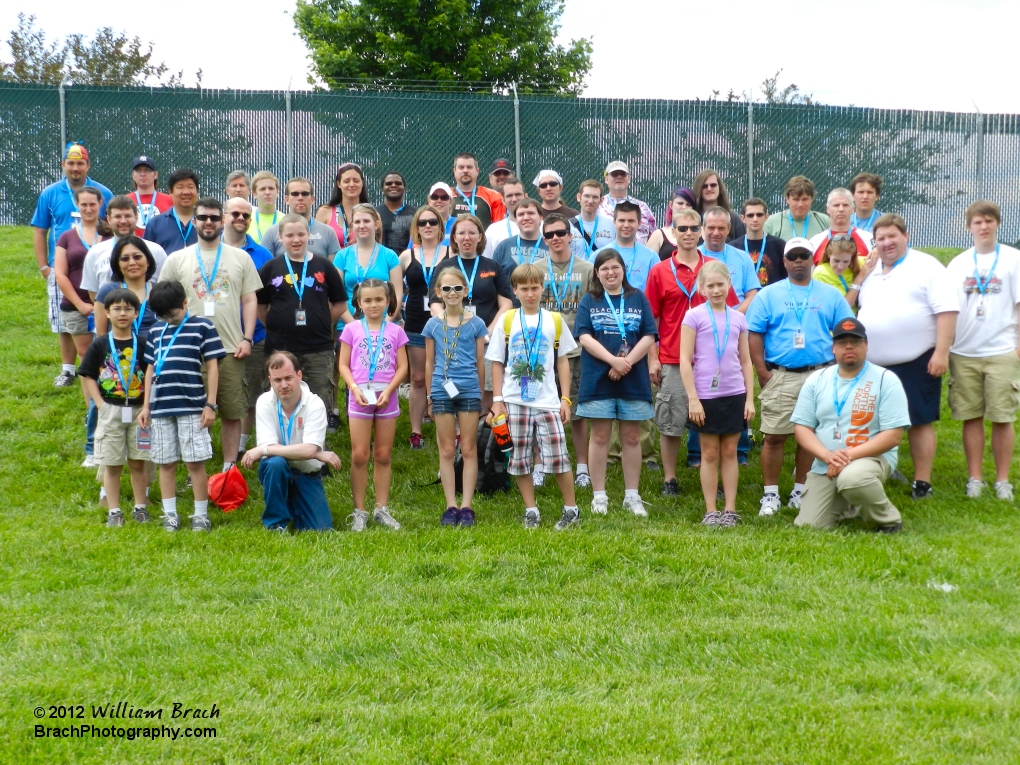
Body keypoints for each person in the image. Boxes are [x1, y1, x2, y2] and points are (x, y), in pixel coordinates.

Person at [746, 237, 855, 517]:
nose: (798, 261)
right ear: (784, 262)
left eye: (803, 255)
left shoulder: (830, 295)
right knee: (773, 436)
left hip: (819, 375)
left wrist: (839, 369)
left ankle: (800, 490)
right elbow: (754, 334)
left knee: (813, 435)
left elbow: (846, 330)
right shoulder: (768, 294)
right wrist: (762, 372)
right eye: (792, 256)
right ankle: (770, 495)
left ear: (813, 260)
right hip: (780, 375)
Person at [857, 214, 958, 500]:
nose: (887, 242)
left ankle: (922, 483)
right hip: (874, 364)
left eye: (892, 236)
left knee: (918, 420)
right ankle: (878, 472)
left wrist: (941, 352)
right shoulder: (872, 270)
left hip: (916, 360)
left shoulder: (926, 266)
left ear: (906, 235)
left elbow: (947, 311)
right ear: (874, 242)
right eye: (881, 238)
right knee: (873, 422)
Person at [158, 196, 262, 472]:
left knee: (231, 410)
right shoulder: (177, 258)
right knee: (192, 413)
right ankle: (195, 467)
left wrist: (247, 338)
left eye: (214, 218)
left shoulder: (240, 257)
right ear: (194, 222)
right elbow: (163, 300)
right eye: (202, 217)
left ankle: (229, 467)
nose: (208, 222)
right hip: (186, 350)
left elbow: (250, 300)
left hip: (229, 347)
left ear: (223, 220)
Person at [645, 209, 739, 492]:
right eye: (682, 228)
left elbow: (729, 312)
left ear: (701, 232)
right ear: (672, 233)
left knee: (715, 421)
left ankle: (718, 479)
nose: (688, 233)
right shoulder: (660, 270)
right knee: (671, 419)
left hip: (712, 359)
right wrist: (654, 357)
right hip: (674, 357)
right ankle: (670, 478)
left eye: (693, 228)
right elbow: (651, 319)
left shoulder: (713, 268)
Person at [791, 318, 910, 532]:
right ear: (833, 348)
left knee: (853, 478)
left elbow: (893, 436)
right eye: (842, 342)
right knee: (810, 526)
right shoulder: (816, 379)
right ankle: (851, 503)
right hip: (827, 462)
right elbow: (801, 428)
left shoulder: (886, 379)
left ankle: (887, 520)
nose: (849, 346)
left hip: (869, 457)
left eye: (855, 342)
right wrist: (827, 456)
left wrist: (848, 456)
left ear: (866, 345)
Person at [488, 263, 580, 530]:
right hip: (515, 400)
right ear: (515, 290)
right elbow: (496, 361)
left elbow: (562, 361)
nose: (530, 294)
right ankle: (531, 510)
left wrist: (565, 398)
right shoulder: (507, 320)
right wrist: (497, 398)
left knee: (558, 457)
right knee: (519, 459)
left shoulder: (554, 320)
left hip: (548, 401)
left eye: (535, 288)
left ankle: (571, 509)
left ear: (543, 289)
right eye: (524, 289)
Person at [574, 249, 657, 516]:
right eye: (604, 269)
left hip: (633, 378)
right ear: (597, 273)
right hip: (598, 378)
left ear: (623, 270)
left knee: (632, 436)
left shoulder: (637, 297)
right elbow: (584, 337)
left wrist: (626, 363)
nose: (610, 273)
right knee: (599, 436)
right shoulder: (590, 300)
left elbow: (649, 335)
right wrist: (613, 361)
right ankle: (599, 496)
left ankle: (632, 496)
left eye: (615, 267)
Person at [946, 201, 1020, 500]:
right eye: (978, 222)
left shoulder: (1013, 260)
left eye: (989, 221)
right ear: (969, 227)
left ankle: (1002, 480)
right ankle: (975, 478)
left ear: (998, 224)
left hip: (1002, 349)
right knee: (970, 415)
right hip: (964, 351)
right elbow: (947, 308)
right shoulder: (959, 264)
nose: (984, 227)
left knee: (1003, 417)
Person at [139, 281, 226, 532]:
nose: (168, 319)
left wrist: (210, 404)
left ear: (185, 303)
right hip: (161, 408)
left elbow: (212, 367)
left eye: (172, 314)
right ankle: (170, 515)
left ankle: (200, 515)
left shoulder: (203, 326)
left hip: (192, 406)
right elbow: (150, 369)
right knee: (165, 463)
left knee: (194, 462)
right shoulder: (156, 331)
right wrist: (146, 406)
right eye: (162, 315)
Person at [679, 261, 755, 526]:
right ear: (701, 288)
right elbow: (684, 360)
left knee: (730, 451)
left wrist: (749, 399)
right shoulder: (694, 316)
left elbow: (745, 361)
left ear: (729, 285)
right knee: (709, 453)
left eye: (720, 285)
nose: (715, 290)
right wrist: (693, 399)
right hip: (704, 396)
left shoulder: (739, 318)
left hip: (733, 393)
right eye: (709, 286)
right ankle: (711, 509)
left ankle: (730, 509)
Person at [32, 142, 113, 386]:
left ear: (88, 165)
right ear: (63, 165)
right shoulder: (50, 193)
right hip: (64, 266)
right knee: (64, 321)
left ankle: (106, 367)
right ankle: (67, 370)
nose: (75, 168)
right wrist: (44, 266)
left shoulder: (103, 193)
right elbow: (40, 230)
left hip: (99, 267)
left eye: (80, 163)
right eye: (71, 163)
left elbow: (111, 224)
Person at [240, 351, 342, 533]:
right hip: (277, 471)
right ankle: (276, 524)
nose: (284, 385)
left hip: (306, 473)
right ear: (270, 380)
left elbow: (305, 450)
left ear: (299, 375)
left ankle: (292, 505)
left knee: (322, 530)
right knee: (276, 464)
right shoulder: (264, 402)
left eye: (288, 378)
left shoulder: (315, 404)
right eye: (277, 380)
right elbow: (282, 450)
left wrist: (262, 449)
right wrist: (314, 452)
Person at [257, 213, 350, 410]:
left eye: (301, 234)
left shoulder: (324, 266)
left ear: (309, 234)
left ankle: (316, 441)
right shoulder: (271, 268)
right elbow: (260, 307)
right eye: (289, 235)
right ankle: (281, 440)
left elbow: (340, 304)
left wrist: (323, 321)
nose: (296, 240)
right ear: (280, 237)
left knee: (317, 402)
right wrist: (275, 325)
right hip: (279, 348)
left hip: (318, 348)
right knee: (279, 402)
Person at [338, 279, 408, 532]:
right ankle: (359, 511)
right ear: (358, 303)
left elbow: (403, 367)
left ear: (388, 301)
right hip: (360, 397)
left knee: (383, 454)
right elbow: (343, 364)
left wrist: (390, 390)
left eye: (379, 299)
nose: (373, 304)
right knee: (359, 455)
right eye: (367, 300)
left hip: (386, 397)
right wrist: (353, 389)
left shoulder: (396, 331)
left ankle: (381, 508)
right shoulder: (352, 329)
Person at [78, 288, 151, 527]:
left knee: (139, 461)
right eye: (117, 309)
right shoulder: (100, 344)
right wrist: (99, 404)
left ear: (136, 313)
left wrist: (147, 404)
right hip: (111, 410)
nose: (122, 313)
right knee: (112, 463)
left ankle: (141, 507)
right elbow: (88, 375)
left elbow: (150, 374)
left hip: (139, 411)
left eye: (128, 309)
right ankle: (114, 510)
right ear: (107, 313)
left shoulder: (142, 343)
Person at [423, 268, 489, 526]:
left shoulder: (476, 323)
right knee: (447, 449)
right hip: (441, 390)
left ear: (466, 291)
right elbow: (429, 362)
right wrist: (429, 395)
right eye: (447, 289)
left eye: (457, 288)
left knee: (469, 448)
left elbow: (480, 361)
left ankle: (467, 506)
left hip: (470, 390)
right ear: (439, 292)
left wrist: (481, 393)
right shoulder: (432, 324)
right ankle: (450, 505)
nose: (452, 293)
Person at [428, 214, 514, 412]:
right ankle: (458, 432)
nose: (467, 237)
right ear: (454, 238)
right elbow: (434, 303)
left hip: (486, 340)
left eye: (472, 232)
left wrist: (488, 332)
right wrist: (447, 330)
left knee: (488, 386)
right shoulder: (444, 266)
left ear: (480, 237)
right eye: (461, 233)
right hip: (453, 339)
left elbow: (506, 303)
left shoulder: (492, 266)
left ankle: (482, 431)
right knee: (455, 384)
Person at [534, 215, 595, 487]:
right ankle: (539, 464)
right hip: (542, 351)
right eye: (549, 235)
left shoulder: (587, 269)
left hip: (577, 351)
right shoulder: (535, 270)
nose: (556, 238)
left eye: (561, 232)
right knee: (539, 409)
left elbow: (594, 309)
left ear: (571, 236)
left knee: (578, 411)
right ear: (544, 240)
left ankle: (582, 466)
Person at [54, 187, 111, 468]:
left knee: (107, 359)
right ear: (77, 205)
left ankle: (105, 403)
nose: (89, 208)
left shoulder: (109, 234)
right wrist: (80, 303)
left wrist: (100, 305)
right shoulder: (66, 236)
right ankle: (92, 408)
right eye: (84, 204)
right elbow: (60, 274)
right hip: (75, 306)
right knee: (87, 359)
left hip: (107, 307)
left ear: (101, 204)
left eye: (93, 204)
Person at [221, 197, 274, 456]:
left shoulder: (263, 255)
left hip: (254, 336)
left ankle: (240, 446)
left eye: (245, 215)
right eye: (235, 214)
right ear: (224, 217)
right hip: (215, 337)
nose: (240, 218)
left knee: (250, 392)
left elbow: (268, 298)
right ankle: (207, 443)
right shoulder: (208, 250)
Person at [400, 205, 450, 449]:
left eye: (433, 222)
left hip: (446, 323)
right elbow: (395, 290)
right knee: (418, 378)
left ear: (440, 226)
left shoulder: (451, 252)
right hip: (416, 323)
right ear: (416, 228)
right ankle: (416, 431)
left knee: (448, 376)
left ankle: (453, 428)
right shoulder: (407, 256)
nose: (428, 226)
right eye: (422, 223)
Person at [80, 195, 168, 300]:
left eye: (127, 216)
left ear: (136, 217)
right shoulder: (95, 252)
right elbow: (93, 292)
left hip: (148, 313)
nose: (123, 221)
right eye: (117, 217)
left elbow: (163, 286)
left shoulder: (155, 250)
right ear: (109, 219)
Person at [335, 204, 403, 318]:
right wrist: (353, 327)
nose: (362, 226)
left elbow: (397, 294)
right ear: (352, 226)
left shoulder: (390, 256)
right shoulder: (342, 256)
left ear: (376, 225)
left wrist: (386, 324)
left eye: (366, 221)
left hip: (383, 326)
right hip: (349, 328)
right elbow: (336, 296)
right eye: (357, 222)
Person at [258, 178, 342, 262]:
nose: (300, 198)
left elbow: (334, 269)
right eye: (295, 194)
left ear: (312, 199)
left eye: (305, 194)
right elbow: (264, 267)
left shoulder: (327, 232)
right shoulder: (272, 232)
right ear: (287, 200)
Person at [94, 237, 159, 339]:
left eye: (137, 257)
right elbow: (101, 335)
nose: (132, 263)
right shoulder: (106, 292)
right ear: (117, 264)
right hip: (117, 353)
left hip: (154, 353)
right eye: (125, 259)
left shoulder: (160, 292)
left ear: (148, 261)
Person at [699, 206, 759, 313]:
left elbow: (752, 294)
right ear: (703, 227)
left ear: (729, 228)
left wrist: (734, 319)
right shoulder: (694, 257)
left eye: (721, 228)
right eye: (711, 228)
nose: (716, 233)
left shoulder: (743, 257)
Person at [491, 198, 549, 301]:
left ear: (540, 217)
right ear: (516, 220)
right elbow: (493, 282)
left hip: (544, 307)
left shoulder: (551, 245)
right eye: (521, 214)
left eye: (531, 213)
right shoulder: (503, 247)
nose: (526, 218)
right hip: (511, 310)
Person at [603, 201, 658, 291]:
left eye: (631, 221)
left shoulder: (651, 257)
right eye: (621, 220)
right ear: (614, 223)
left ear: (639, 223)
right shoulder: (600, 255)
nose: (626, 225)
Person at [143, 168, 200, 254]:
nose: (186, 192)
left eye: (190, 187)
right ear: (170, 191)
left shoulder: (207, 221)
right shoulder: (155, 224)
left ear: (197, 191)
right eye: (180, 187)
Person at [808, 188, 874, 263]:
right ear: (828, 209)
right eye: (836, 205)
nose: (841, 209)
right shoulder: (815, 241)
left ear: (853, 209)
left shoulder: (868, 239)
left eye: (845, 205)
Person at [733, 197, 787, 287]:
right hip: (744, 299)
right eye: (750, 215)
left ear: (766, 217)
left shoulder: (780, 245)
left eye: (759, 215)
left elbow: (785, 277)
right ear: (742, 218)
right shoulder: (733, 247)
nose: (755, 219)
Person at [598, 161, 655, 244]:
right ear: (606, 179)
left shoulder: (642, 207)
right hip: (607, 255)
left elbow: (653, 236)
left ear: (628, 179)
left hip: (638, 255)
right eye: (614, 174)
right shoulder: (598, 205)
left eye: (623, 174)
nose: (619, 177)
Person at [316, 162, 370, 248]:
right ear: (338, 184)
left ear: (362, 183)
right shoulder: (324, 212)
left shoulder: (372, 214)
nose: (352, 185)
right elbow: (317, 247)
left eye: (356, 181)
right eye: (346, 181)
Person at [812, 236, 872, 312]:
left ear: (852, 257)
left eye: (846, 261)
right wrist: (859, 279)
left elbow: (884, 258)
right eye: (836, 261)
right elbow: (843, 307)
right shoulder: (821, 273)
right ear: (828, 254)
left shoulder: (859, 263)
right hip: (838, 321)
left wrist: (876, 251)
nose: (840, 266)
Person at [763, 176, 830, 240]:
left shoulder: (824, 221)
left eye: (805, 199)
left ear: (812, 199)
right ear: (787, 199)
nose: (800, 204)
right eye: (796, 199)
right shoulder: (772, 223)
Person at [450, 152, 506, 228]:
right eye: (461, 167)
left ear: (477, 171)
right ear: (454, 171)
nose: (465, 170)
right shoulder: (443, 196)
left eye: (469, 167)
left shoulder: (493, 197)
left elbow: (499, 229)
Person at [569, 180, 615, 262]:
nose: (590, 201)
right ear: (579, 197)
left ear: (601, 200)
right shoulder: (568, 225)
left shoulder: (611, 224)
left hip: (602, 273)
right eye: (587, 196)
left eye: (595, 197)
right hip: (578, 273)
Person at [692, 169, 745, 240]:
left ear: (719, 188)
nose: (709, 188)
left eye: (713, 185)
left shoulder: (734, 219)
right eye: (704, 186)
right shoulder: (692, 219)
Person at [647, 188, 698, 261]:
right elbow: (648, 266)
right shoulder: (658, 235)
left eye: (688, 204)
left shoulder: (701, 232)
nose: (684, 207)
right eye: (680, 203)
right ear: (671, 205)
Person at [128, 156, 171, 236]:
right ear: (133, 175)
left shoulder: (169, 200)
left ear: (155, 175)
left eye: (147, 170)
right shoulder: (125, 200)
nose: (143, 174)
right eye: (138, 170)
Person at [482, 177, 525, 257]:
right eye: (509, 196)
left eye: (518, 194)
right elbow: (486, 262)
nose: (514, 199)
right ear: (503, 201)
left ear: (525, 197)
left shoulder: (540, 226)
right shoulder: (493, 230)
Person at [376, 172, 414, 253]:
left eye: (398, 183)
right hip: (381, 261)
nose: (393, 185)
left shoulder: (415, 214)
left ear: (404, 189)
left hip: (409, 262)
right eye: (388, 183)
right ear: (382, 189)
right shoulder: (374, 213)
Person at [248, 171, 281, 244]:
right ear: (254, 194)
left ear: (277, 192)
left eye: (271, 188)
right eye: (262, 189)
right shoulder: (246, 218)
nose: (267, 192)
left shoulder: (285, 220)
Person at [427, 182, 456, 246]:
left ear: (450, 202)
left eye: (444, 197)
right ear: (429, 201)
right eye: (434, 197)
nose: (439, 200)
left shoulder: (458, 223)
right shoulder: (422, 224)